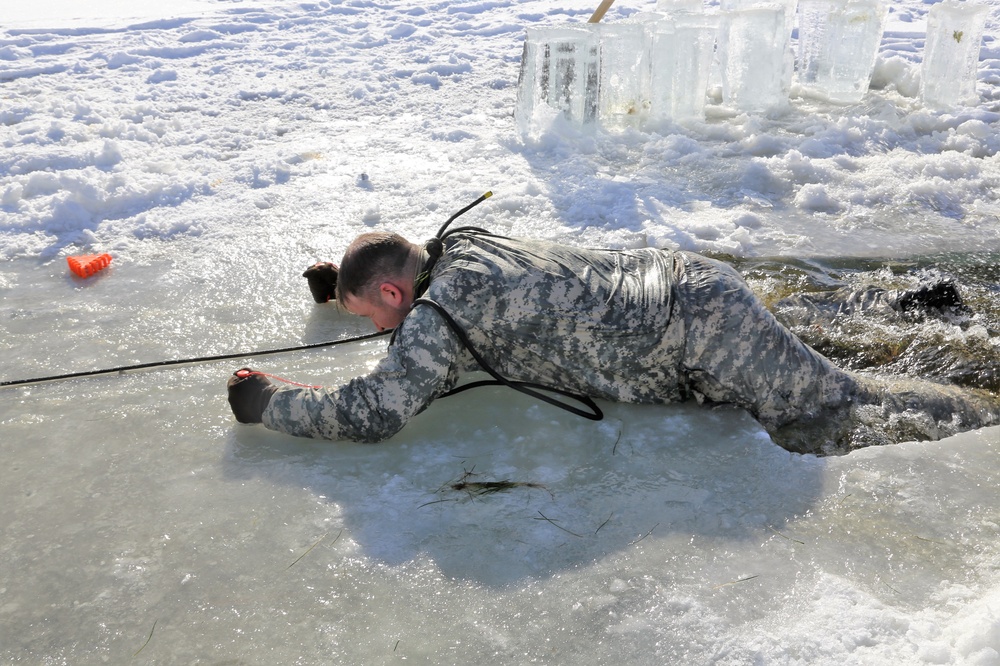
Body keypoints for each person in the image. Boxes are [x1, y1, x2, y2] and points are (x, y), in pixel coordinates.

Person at [227, 228, 1000, 455]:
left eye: (370, 315)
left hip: (702, 331)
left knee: (848, 403)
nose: (375, 328)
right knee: (824, 347)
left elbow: (372, 412)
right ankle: (921, 318)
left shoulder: (437, 319)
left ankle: (985, 409)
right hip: (685, 279)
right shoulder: (458, 245)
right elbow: (397, 263)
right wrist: (340, 290)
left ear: (396, 293)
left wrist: (270, 402)